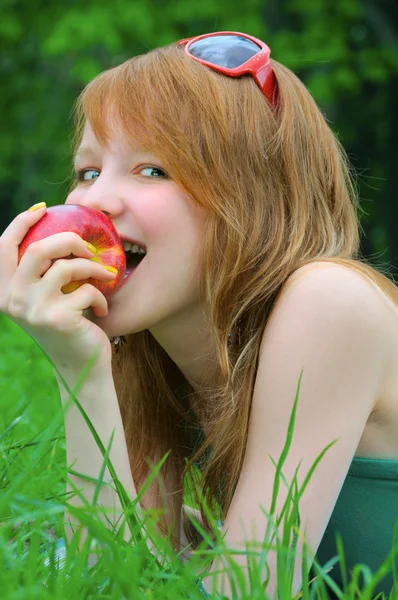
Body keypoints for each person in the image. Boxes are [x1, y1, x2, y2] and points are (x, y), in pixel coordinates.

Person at [1, 31, 398, 598]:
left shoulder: (330, 302)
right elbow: (110, 582)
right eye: (88, 172)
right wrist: (81, 372)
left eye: (152, 170)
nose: (92, 204)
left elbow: (247, 589)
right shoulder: (149, 357)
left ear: (252, 196)